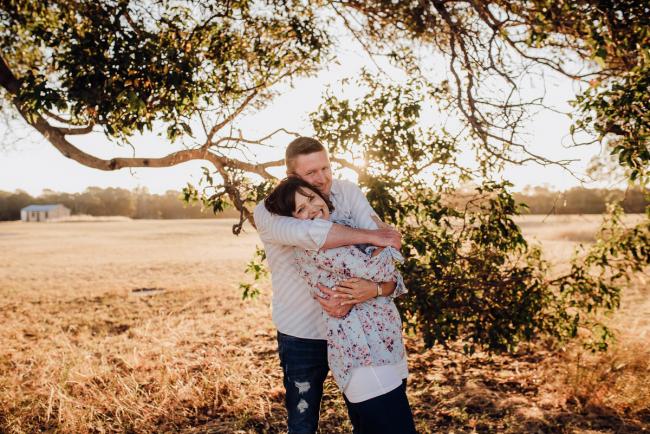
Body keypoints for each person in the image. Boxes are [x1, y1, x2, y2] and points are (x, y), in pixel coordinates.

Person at [253, 137, 412, 433]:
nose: (322, 179)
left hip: (358, 331)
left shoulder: (347, 191)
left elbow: (389, 246)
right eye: (311, 173)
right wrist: (373, 238)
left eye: (325, 168)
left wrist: (377, 284)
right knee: (303, 422)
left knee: (367, 418)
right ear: (291, 176)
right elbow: (314, 235)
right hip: (302, 333)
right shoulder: (271, 209)